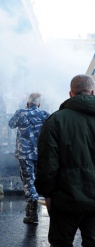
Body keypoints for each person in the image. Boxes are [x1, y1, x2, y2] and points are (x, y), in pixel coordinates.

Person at [35, 74, 95, 247]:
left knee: (61, 243)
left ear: (70, 94)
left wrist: (47, 193)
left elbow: (46, 163)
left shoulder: (55, 121)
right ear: (93, 92)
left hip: (64, 199)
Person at [8, 93, 49, 224]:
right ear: (39, 104)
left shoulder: (21, 113)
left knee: (28, 181)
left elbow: (11, 124)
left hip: (25, 154)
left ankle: (32, 215)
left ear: (28, 103)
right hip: (41, 154)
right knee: (36, 181)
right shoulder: (45, 115)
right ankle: (32, 208)